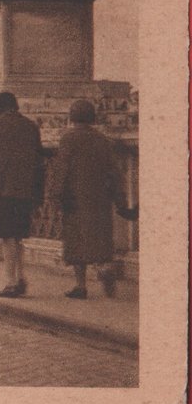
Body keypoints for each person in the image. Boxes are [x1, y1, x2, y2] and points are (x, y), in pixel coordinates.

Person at [47, 99, 139, 299]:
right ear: (92, 118)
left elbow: (60, 171)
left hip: (74, 198)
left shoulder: (68, 139)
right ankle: (104, 268)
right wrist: (121, 202)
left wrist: (56, 197)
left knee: (76, 242)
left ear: (72, 118)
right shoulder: (103, 141)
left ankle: (80, 286)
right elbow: (115, 174)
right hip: (99, 199)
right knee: (99, 238)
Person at [0, 91, 45, 298]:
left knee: (7, 237)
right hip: (26, 189)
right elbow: (39, 158)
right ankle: (21, 276)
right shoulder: (31, 126)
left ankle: (11, 282)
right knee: (18, 236)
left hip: (3, 188)